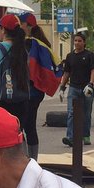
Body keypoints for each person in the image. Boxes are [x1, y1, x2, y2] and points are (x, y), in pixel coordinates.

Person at [21, 13, 59, 159]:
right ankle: (32, 160)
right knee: (29, 126)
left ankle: (26, 160)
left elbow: (29, 68)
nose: (19, 27)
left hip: (29, 91)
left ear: (28, 26)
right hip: (37, 91)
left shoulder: (30, 44)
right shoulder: (42, 44)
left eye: (21, 24)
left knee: (22, 126)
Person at [0, 14, 31, 130]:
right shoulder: (23, 50)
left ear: (3, 30)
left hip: (0, 100)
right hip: (21, 100)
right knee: (17, 135)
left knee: (2, 137)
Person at [59, 33, 94, 147]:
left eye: (79, 41)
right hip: (73, 88)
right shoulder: (70, 56)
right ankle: (70, 137)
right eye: (75, 40)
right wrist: (62, 87)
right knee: (71, 113)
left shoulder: (89, 55)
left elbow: (93, 70)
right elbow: (66, 73)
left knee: (86, 113)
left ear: (84, 42)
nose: (77, 43)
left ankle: (86, 135)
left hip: (86, 88)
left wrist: (90, 84)